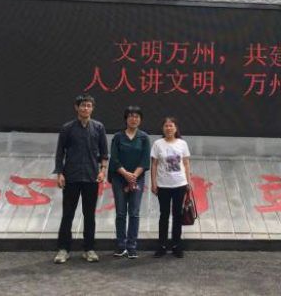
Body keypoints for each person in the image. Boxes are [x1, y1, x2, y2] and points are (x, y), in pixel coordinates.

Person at [53, 94, 109, 264]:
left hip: (92, 177)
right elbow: (60, 152)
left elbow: (104, 152)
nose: (85, 108)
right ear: (76, 108)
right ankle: (63, 249)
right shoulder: (67, 128)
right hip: (71, 177)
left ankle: (89, 249)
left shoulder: (99, 127)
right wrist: (60, 173)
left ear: (92, 108)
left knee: (89, 215)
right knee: (67, 215)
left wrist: (103, 170)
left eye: (88, 105)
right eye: (83, 105)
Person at [108, 105, 151, 259]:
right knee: (120, 213)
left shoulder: (144, 137)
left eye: (137, 116)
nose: (134, 119)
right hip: (119, 179)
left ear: (140, 119)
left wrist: (133, 176)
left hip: (137, 179)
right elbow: (114, 159)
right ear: (126, 119)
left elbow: (145, 160)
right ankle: (121, 246)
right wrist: (126, 174)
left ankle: (132, 246)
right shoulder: (118, 137)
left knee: (134, 213)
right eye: (131, 116)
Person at [150, 116, 192, 258]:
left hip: (180, 184)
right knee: (164, 215)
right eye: (166, 126)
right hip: (163, 185)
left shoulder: (182, 143)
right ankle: (162, 246)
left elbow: (186, 164)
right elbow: (154, 164)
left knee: (177, 215)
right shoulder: (158, 144)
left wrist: (189, 181)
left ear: (175, 128)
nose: (168, 128)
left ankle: (176, 246)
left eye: (171, 126)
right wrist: (154, 183)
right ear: (163, 128)